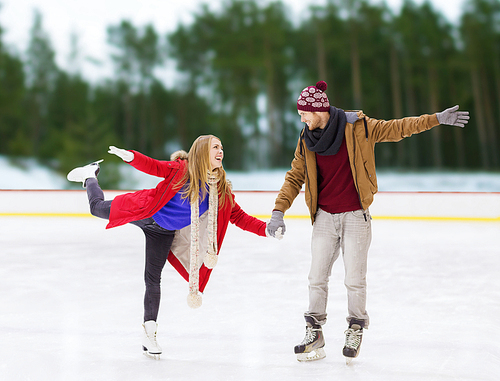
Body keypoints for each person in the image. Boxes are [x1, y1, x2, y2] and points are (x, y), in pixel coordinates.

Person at [266, 81, 469, 363]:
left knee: (354, 279)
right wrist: (279, 211)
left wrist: (435, 119)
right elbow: (294, 176)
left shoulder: (357, 126)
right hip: (324, 216)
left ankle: (355, 327)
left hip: (355, 216)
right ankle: (314, 330)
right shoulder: (306, 139)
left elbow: (398, 128)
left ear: (319, 110)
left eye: (304, 113)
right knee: (316, 277)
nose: (301, 118)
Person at [67, 135, 282, 360]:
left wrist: (265, 229)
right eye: (215, 147)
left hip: (162, 232)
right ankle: (90, 175)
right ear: (201, 151)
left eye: (222, 147)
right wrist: (131, 157)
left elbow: (239, 216)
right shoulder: (182, 169)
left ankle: (149, 334)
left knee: (152, 278)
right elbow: (154, 166)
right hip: (146, 210)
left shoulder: (220, 190)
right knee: (97, 208)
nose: (221, 151)